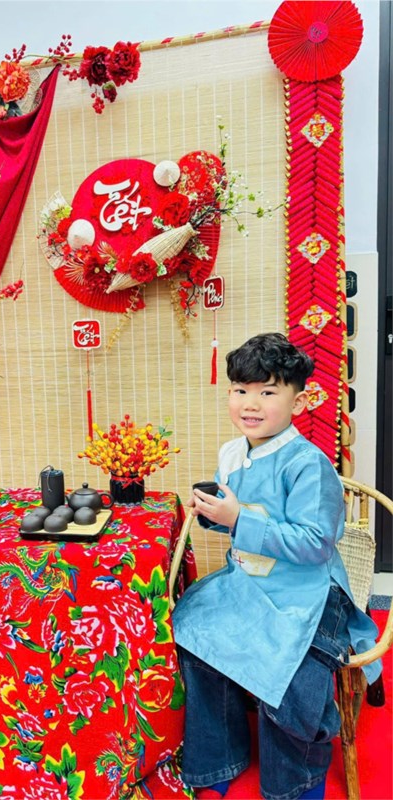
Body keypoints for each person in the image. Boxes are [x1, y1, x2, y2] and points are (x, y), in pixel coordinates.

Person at [172, 332, 380, 800]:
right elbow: (235, 521)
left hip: (306, 594)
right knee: (195, 638)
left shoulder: (308, 465)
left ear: (298, 401)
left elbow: (315, 544)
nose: (251, 403)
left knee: (290, 678)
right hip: (247, 582)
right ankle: (219, 756)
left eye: (268, 392)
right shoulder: (232, 453)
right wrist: (214, 515)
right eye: (240, 390)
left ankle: (296, 781)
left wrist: (238, 519)